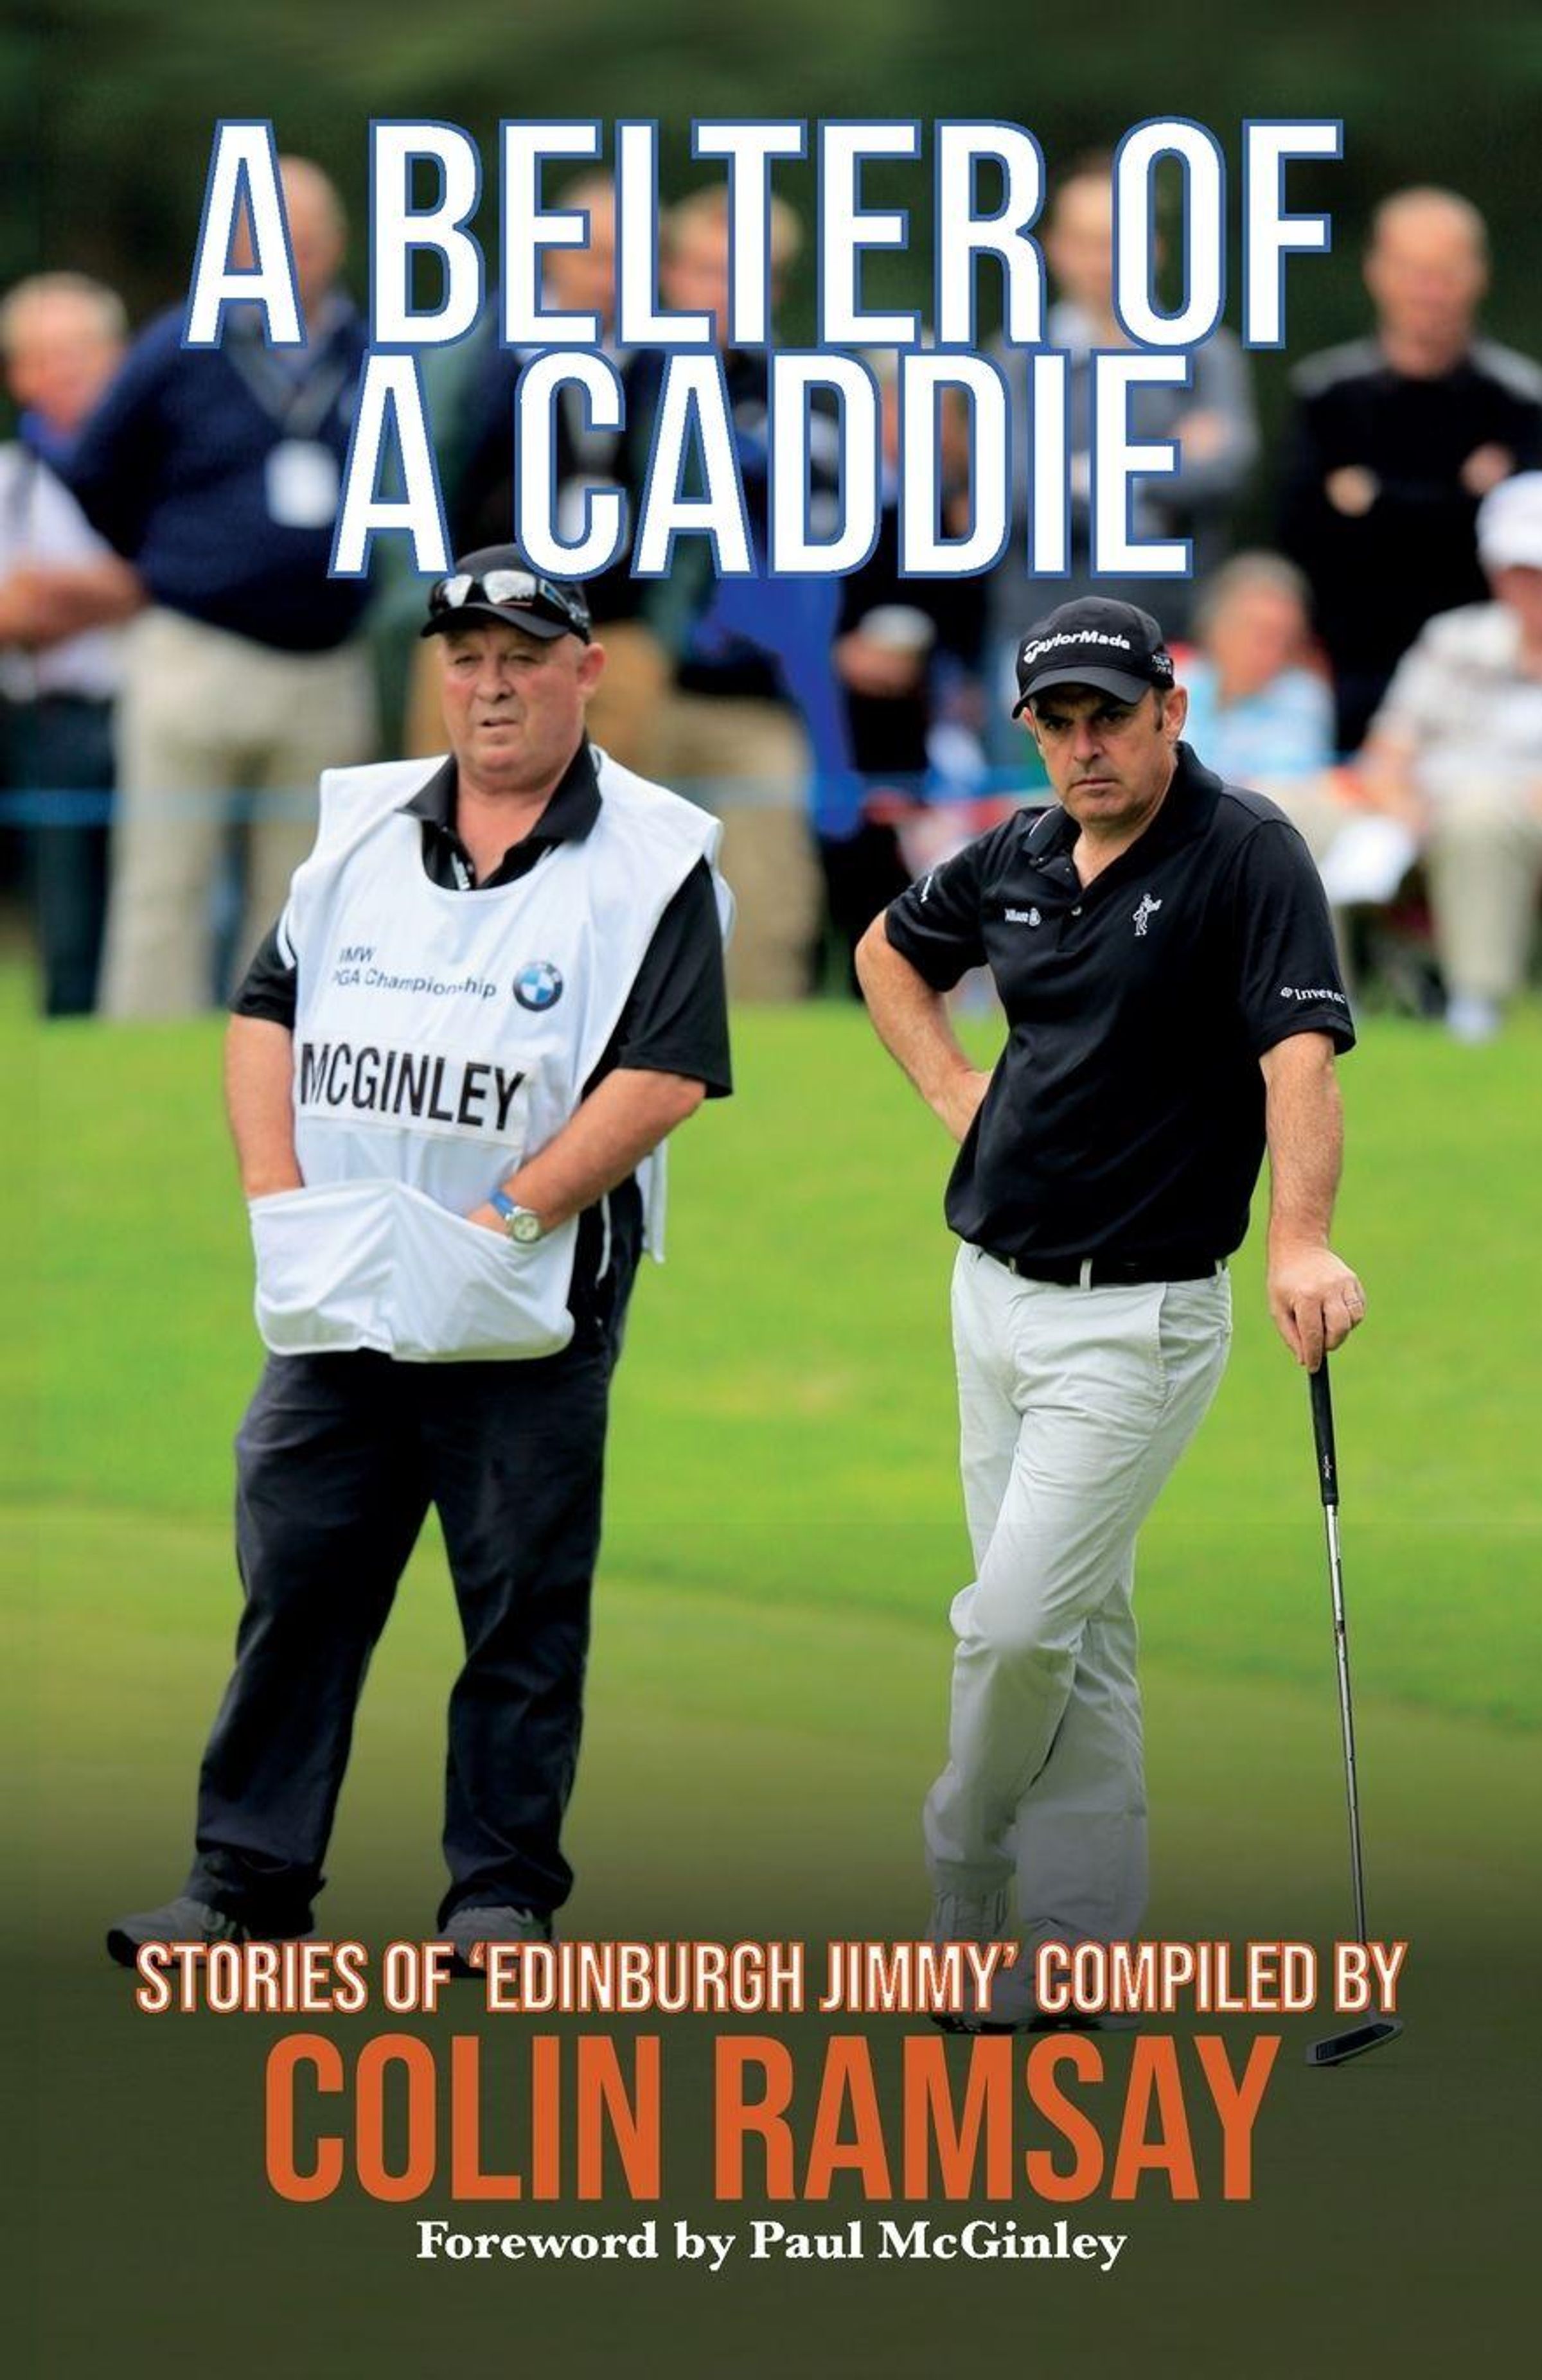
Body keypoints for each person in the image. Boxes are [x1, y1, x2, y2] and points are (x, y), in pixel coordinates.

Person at [106, 547, 732, 1968]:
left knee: (519, 1609)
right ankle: (243, 1887)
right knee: (297, 1590)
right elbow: (265, 1010)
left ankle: (500, 1899)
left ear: (588, 671)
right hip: (340, 1288)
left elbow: (664, 1075)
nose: (492, 685)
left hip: (526, 1294)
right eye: (468, 659)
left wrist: (506, 1218)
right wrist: (277, 1196)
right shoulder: (361, 829)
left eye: (524, 658)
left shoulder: (652, 858)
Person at [855, 596, 1364, 2028]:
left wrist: (1302, 1242)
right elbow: (888, 953)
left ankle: (965, 1877)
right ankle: (1080, 1947)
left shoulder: (1244, 850)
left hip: (1137, 1320)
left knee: (1018, 1628)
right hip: (991, 1295)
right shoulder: (1020, 854)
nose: (1086, 747)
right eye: (1058, 724)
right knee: (1078, 1628)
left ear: (1171, 711)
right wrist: (957, 1092)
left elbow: (1300, 1053)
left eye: (1111, 718)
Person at [60, 156, 377, 1016]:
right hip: (196, 646)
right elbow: (96, 468)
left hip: (324, 657)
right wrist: (167, 558)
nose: (292, 259)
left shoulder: (371, 350)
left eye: (307, 240)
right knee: (165, 883)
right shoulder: (181, 345)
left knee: (303, 892)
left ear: (339, 243)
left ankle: (283, 1060)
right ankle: (141, 1060)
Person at [984, 153, 1258, 760]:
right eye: (1086, 241)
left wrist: (1079, 474)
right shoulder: (1016, 358)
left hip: (1177, 645)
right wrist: (1164, 467)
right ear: (1056, 249)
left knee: (1175, 809)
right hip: (1037, 647)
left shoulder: (1207, 354)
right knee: (1038, 812)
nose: (1102, 260)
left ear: (1153, 247)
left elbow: (1228, 469)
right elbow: (1012, 494)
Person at [1280, 186, 1542, 755]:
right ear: (1377, 272)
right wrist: (1462, 499)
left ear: (1477, 275)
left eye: (1444, 272)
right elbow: (1302, 541)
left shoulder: (1521, 401)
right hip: (1352, 671)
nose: (1428, 291)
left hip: (1485, 681)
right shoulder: (1328, 396)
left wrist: (1374, 503)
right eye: (1412, 270)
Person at [1354, 471, 1542, 1043]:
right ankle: (1312, 997)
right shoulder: (1451, 639)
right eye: (1521, 569)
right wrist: (1400, 805)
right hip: (1424, 811)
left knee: (1479, 815)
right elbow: (1388, 748)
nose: (1531, 584)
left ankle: (1476, 1001)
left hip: (1505, 818)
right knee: (1288, 811)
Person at [0, 272, 139, 1013]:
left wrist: (56, 594)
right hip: (51, 722)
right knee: (67, 919)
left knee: (155, 902)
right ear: (19, 374)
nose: (65, 371)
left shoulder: (161, 466)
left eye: (81, 351)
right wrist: (124, 588)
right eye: (45, 356)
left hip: (146, 707)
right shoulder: (12, 479)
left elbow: (181, 578)